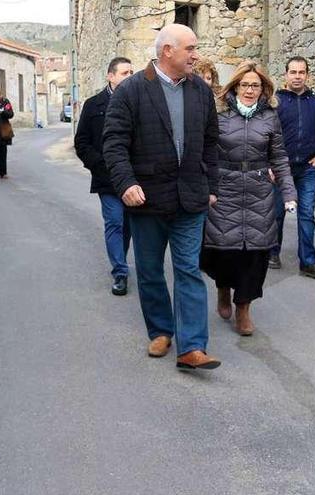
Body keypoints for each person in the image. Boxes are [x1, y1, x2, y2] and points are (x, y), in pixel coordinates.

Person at [103, 24, 221, 370]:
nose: (196, 55)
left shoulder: (200, 90)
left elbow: (211, 143)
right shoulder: (132, 91)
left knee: (188, 269)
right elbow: (114, 143)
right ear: (167, 50)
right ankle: (160, 330)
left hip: (190, 199)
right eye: (190, 49)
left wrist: (211, 186)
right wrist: (125, 183)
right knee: (151, 270)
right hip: (148, 201)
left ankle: (192, 347)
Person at [201, 61, 296, 336]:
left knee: (254, 256)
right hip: (224, 189)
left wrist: (288, 192)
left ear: (263, 88)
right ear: (235, 86)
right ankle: (222, 288)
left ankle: (243, 308)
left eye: (256, 85)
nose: (250, 90)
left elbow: (278, 157)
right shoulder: (219, 113)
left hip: (258, 190)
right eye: (245, 85)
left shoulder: (270, 117)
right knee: (221, 252)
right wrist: (206, 187)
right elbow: (206, 153)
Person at [74, 56, 134, 296]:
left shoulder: (139, 102)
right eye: (124, 73)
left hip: (133, 178)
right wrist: (99, 164)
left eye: (132, 72)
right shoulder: (94, 104)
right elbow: (81, 142)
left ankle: (120, 260)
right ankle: (120, 272)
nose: (130, 76)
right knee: (114, 223)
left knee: (128, 226)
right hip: (107, 178)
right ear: (111, 76)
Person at [268, 56, 315, 279]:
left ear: (307, 75)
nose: (297, 76)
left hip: (307, 168)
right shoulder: (275, 102)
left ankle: (308, 262)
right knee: (276, 213)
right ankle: (272, 252)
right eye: (293, 72)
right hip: (280, 168)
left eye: (301, 72)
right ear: (285, 75)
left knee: (306, 214)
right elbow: (265, 135)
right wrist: (269, 163)